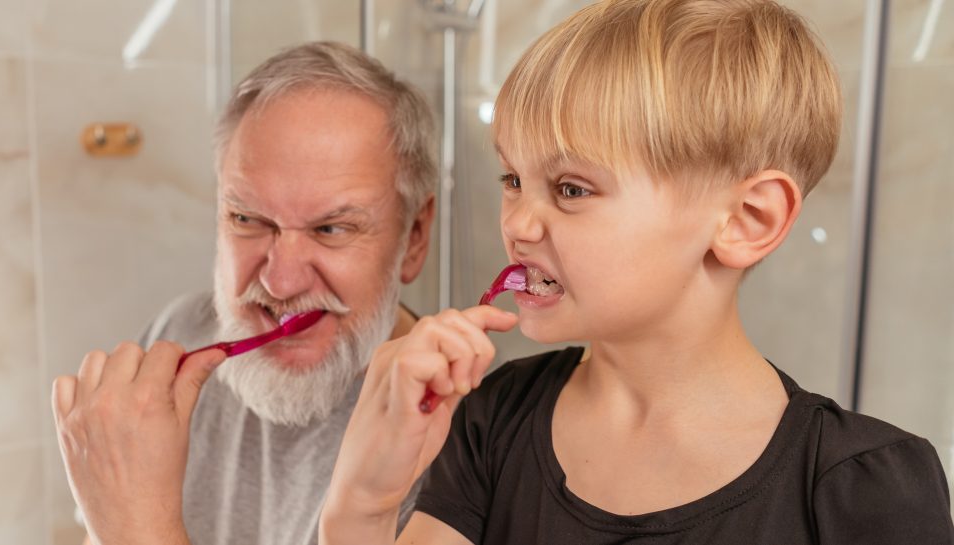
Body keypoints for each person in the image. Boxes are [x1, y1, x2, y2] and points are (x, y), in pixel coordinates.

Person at [319, 1, 954, 544]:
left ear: (747, 221)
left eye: (570, 188)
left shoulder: (863, 487)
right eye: (514, 179)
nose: (517, 223)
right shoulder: (491, 420)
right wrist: (364, 503)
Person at [51, 42, 438, 545]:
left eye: (332, 229)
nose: (280, 282)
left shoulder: (455, 440)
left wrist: (138, 530)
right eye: (247, 219)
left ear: (414, 239)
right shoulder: (181, 333)